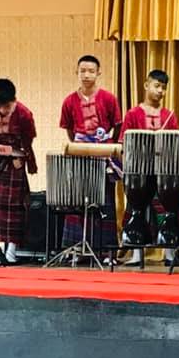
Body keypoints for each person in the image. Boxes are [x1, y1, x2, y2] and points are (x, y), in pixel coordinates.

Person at [58, 55, 123, 258]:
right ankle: (76, 249)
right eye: (83, 71)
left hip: (103, 155)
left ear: (98, 73)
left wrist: (107, 144)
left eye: (91, 71)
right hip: (80, 155)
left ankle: (106, 251)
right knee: (79, 201)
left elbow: (117, 125)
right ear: (76, 72)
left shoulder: (109, 98)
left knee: (104, 201)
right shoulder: (69, 101)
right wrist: (80, 145)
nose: (87, 75)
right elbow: (69, 129)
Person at [118, 69, 179, 267]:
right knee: (137, 211)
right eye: (157, 86)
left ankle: (169, 253)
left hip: (163, 173)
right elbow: (124, 144)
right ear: (146, 85)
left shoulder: (169, 116)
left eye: (164, 87)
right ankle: (137, 254)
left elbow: (175, 145)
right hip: (139, 172)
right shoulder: (133, 114)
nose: (160, 91)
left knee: (168, 211)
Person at [0, 79, 38, 263]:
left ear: (13, 100)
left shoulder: (24, 114)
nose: (3, 110)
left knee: (14, 207)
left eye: (6, 106)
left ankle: (11, 251)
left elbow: (28, 140)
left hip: (15, 161)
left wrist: (23, 158)